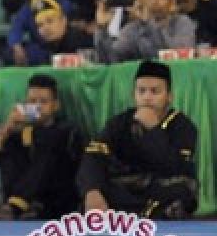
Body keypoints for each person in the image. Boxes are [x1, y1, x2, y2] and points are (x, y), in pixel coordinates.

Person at [78, 61, 197, 219]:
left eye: (155, 92)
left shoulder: (183, 125)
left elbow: (174, 168)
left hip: (161, 185)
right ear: (133, 95)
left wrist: (154, 130)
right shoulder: (119, 122)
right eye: (141, 91)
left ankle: (137, 214)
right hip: (128, 186)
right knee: (93, 185)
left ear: (169, 96)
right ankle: (140, 213)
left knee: (183, 189)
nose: (147, 97)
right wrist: (92, 191)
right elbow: (94, 157)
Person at [0, 74, 83, 220]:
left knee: (49, 149)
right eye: (32, 102)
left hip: (57, 202)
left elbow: (58, 145)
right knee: (10, 148)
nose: (37, 107)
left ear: (55, 105)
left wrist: (32, 127)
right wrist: (7, 130)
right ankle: (19, 204)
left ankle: (19, 203)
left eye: (43, 102)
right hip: (19, 208)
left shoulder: (68, 129)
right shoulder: (18, 130)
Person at [95, 0, 196, 62]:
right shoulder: (134, 28)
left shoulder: (183, 23)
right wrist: (102, 29)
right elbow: (111, 59)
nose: (154, 1)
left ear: (172, 1)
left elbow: (175, 57)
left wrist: (150, 24)